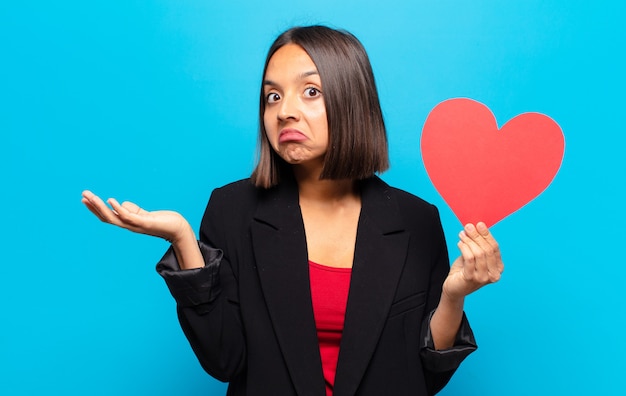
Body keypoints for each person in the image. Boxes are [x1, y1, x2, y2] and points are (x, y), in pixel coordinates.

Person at [82, 25, 504, 396]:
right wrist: (183, 241)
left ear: (352, 100)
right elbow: (224, 360)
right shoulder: (232, 210)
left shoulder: (417, 220)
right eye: (272, 96)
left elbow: (422, 378)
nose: (284, 111)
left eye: (311, 91)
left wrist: (453, 297)